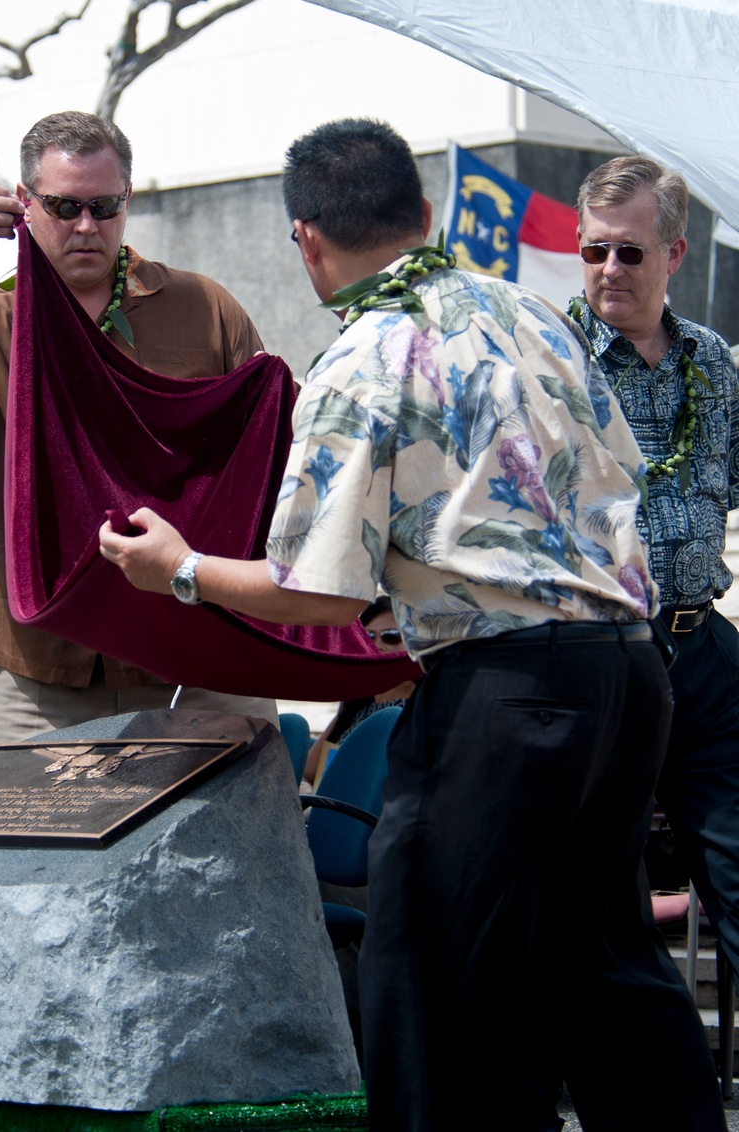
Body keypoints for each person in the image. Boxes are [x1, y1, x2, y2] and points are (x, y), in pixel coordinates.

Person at [99, 119, 726, 1130]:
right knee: (602, 972)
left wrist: (179, 570)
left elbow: (318, 592)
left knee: (429, 982)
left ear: (304, 239)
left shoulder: (364, 357)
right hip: (624, 675)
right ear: (427, 217)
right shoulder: (530, 313)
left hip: (511, 700)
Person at [0, 110, 277, 747]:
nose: (86, 225)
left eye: (104, 206)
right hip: (41, 667)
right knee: (34, 848)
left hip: (195, 648)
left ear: (127, 201)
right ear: (23, 204)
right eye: (63, 206)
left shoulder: (202, 307)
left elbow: (273, 442)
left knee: (239, 839)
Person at [571, 157, 739, 985]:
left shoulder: (712, 361)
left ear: (675, 254)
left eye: (630, 253)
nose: (609, 270)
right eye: (595, 250)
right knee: (597, 898)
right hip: (595, 658)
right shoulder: (548, 357)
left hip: (702, 651)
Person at [302, 595, 418, 790]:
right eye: (368, 637)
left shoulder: (424, 704)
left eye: (391, 636)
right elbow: (308, 772)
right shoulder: (356, 705)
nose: (378, 645)